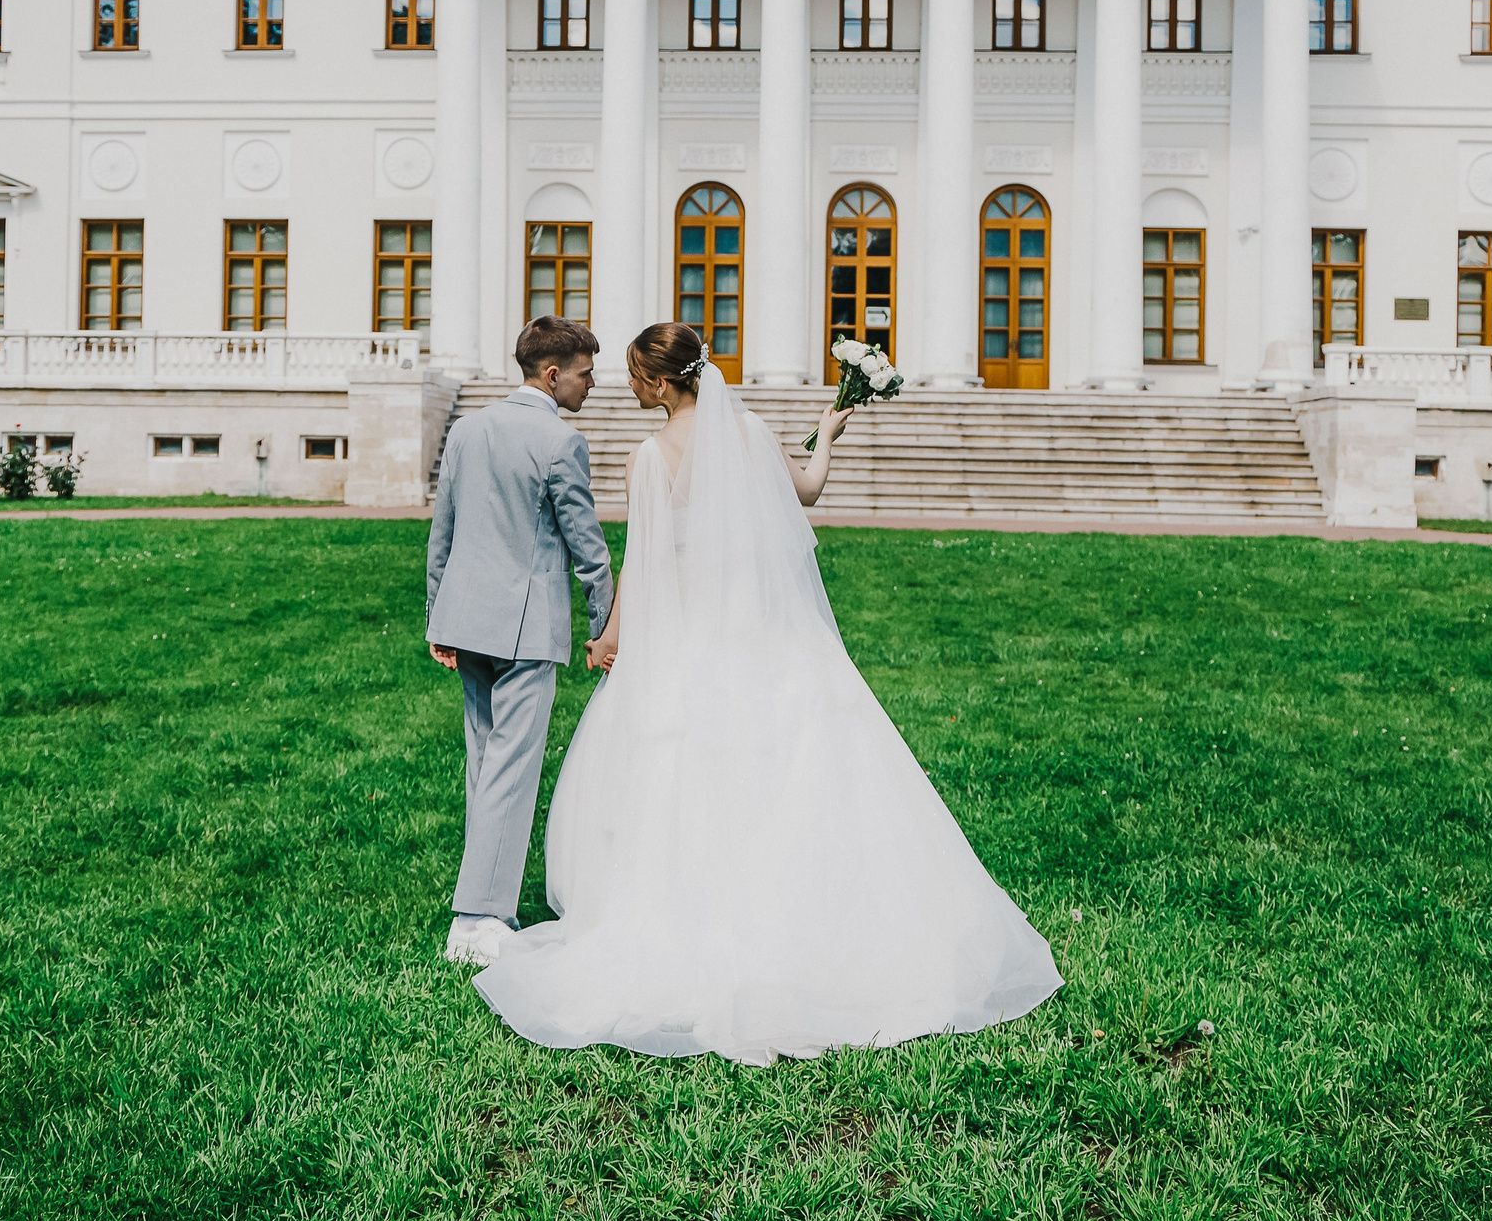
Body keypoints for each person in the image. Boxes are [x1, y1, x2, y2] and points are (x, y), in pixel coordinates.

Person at [472, 321, 1062, 1064]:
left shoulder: (648, 460)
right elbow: (808, 489)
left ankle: (698, 919)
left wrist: (611, 633)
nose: (625, 387)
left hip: (690, 644)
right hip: (769, 638)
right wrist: (827, 429)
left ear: (659, 384)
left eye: (632, 376)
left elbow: (643, 562)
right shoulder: (748, 433)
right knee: (799, 768)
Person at [426, 315, 614, 967]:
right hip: (525, 624)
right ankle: (478, 918)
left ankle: (480, 908)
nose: (594, 384)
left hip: (465, 618)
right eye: (587, 373)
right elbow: (586, 546)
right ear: (553, 373)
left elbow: (441, 530)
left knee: (485, 765)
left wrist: (436, 618)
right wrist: (604, 621)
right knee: (510, 769)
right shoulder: (561, 442)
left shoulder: (468, 429)